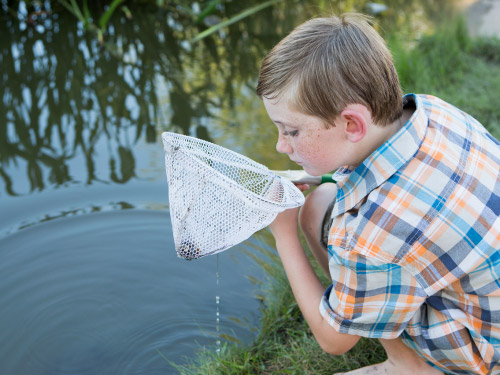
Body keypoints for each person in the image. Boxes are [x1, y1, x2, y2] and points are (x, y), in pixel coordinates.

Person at [256, 13, 500, 375]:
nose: (280, 145)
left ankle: (410, 366)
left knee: (318, 218)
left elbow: (333, 341)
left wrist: (283, 231)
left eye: (291, 131)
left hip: (487, 349)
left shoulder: (371, 235)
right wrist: (323, 172)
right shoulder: (431, 111)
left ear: (352, 123)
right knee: (322, 201)